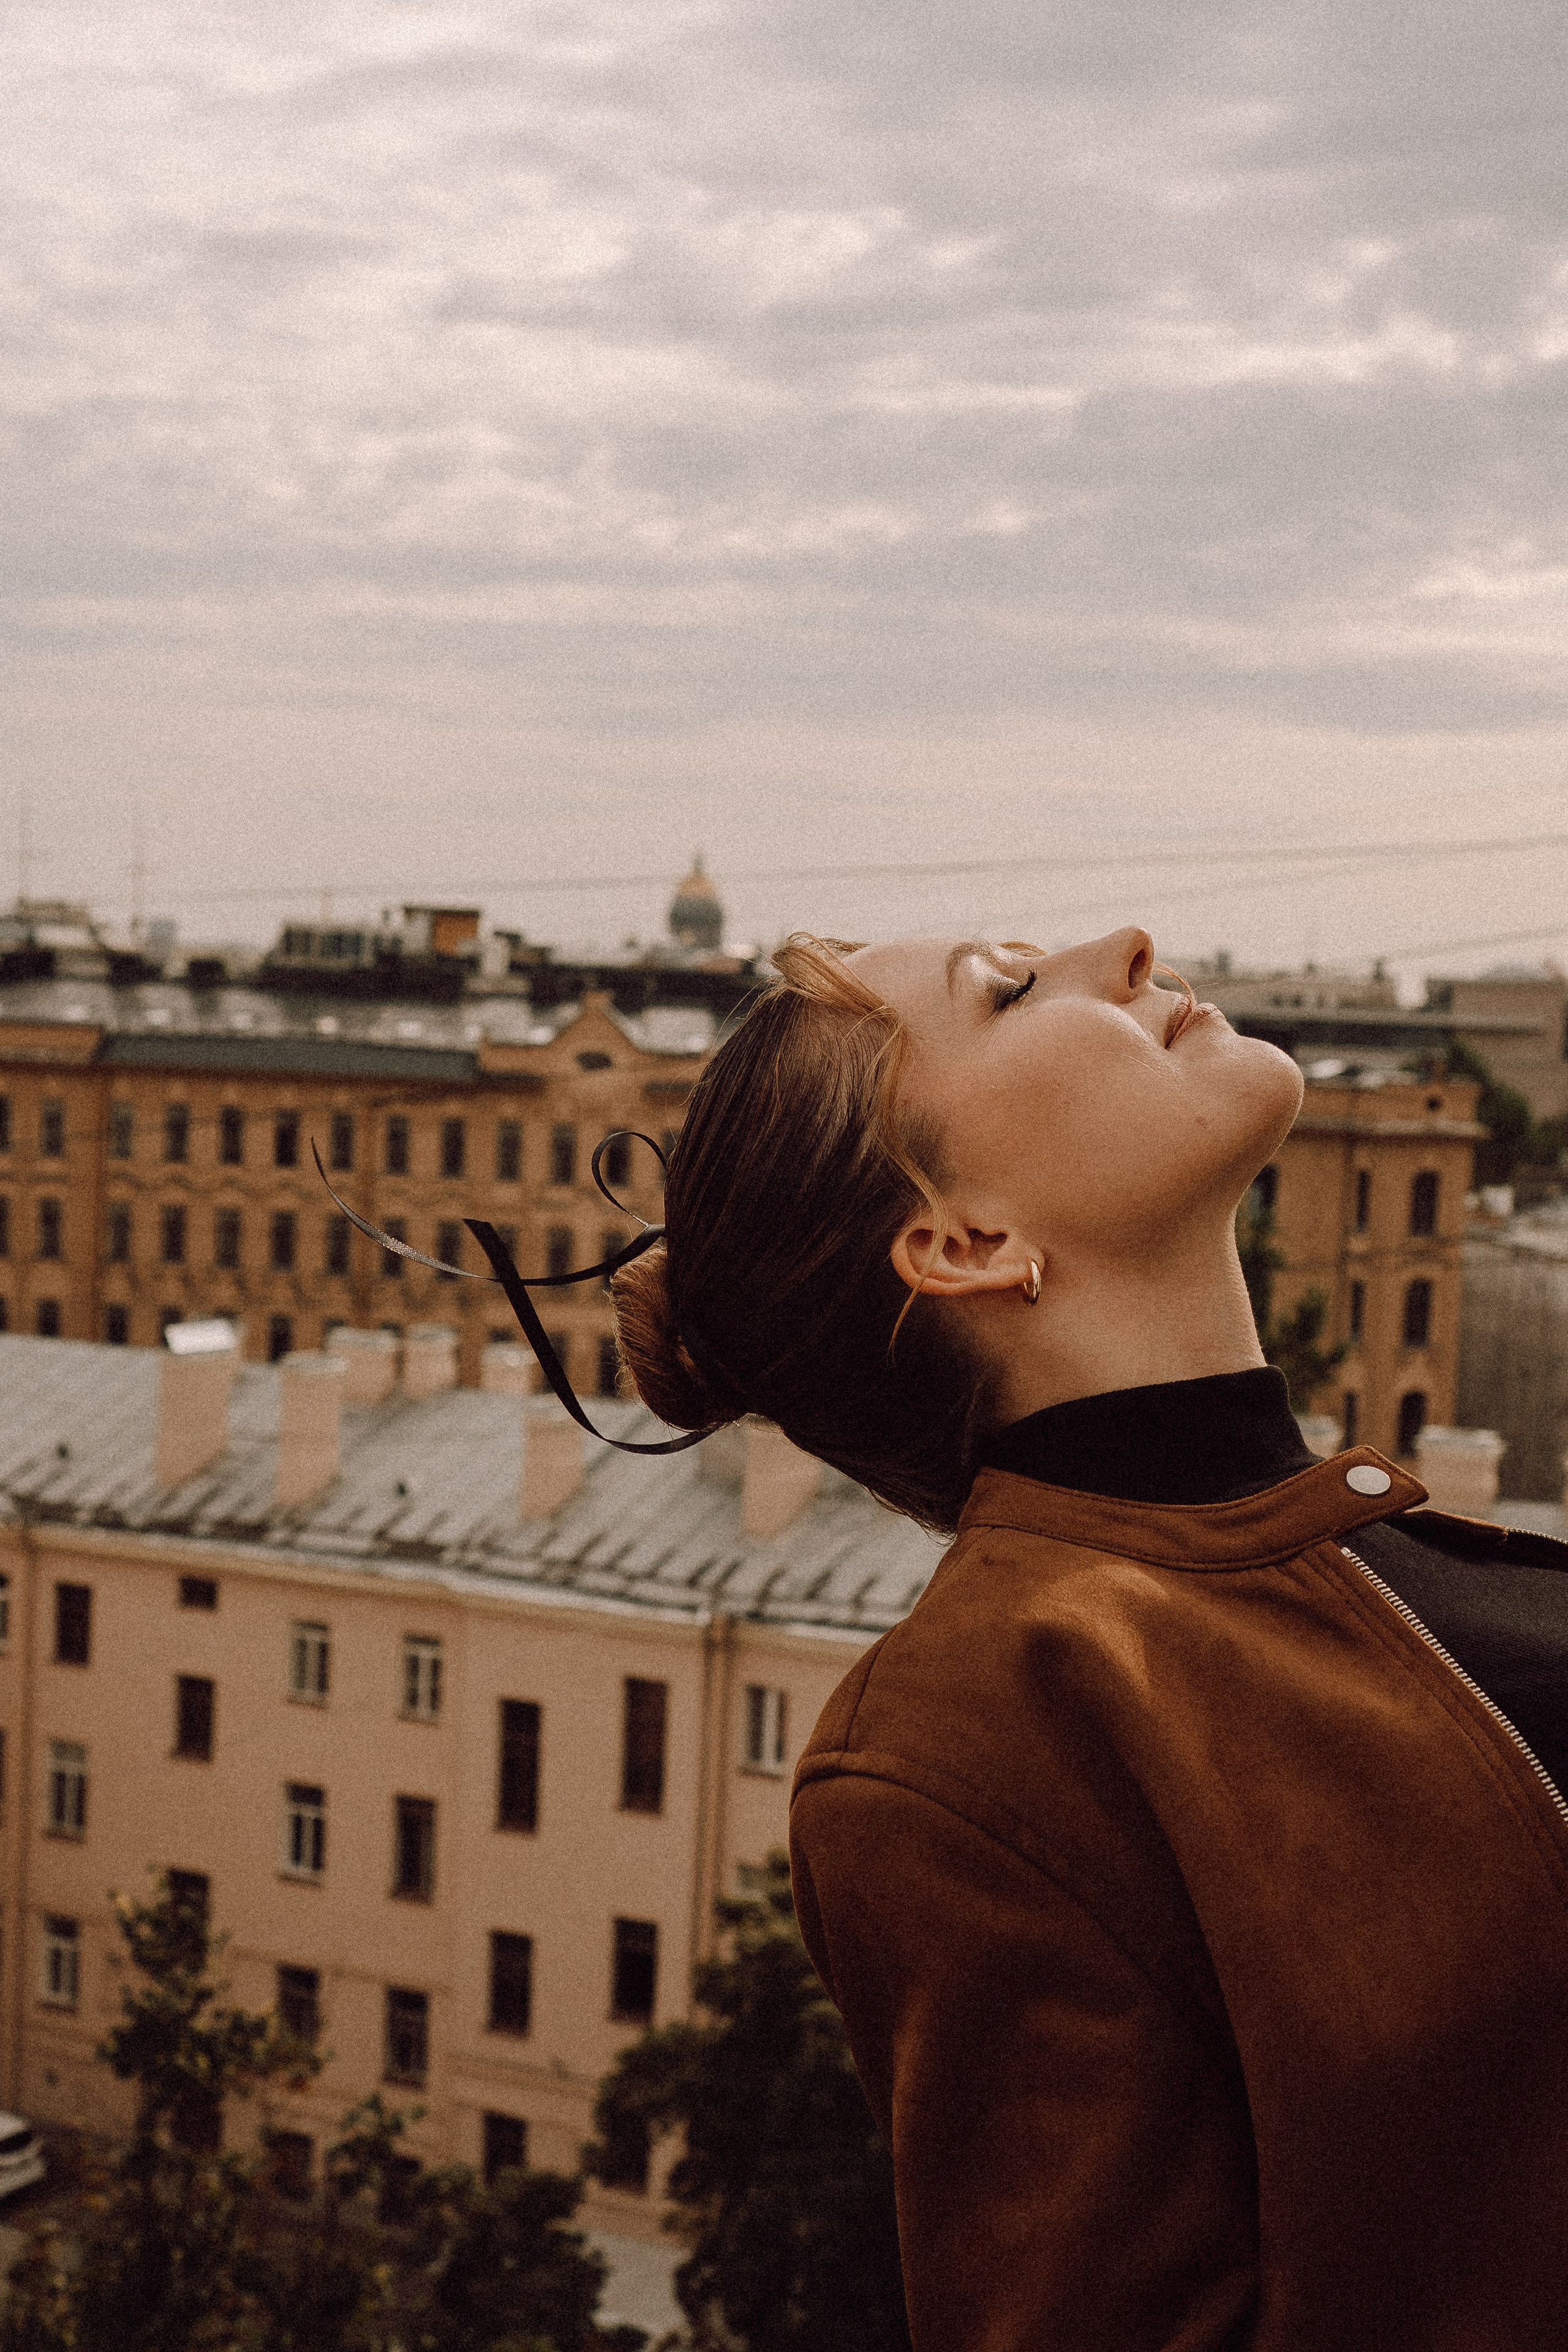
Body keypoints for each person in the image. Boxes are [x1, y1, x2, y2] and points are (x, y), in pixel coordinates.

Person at [612, 925, 1568, 2352]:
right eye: (1006, 993)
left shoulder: (1384, 1551)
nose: (1119, 945)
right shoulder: (972, 1737)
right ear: (963, 1242)